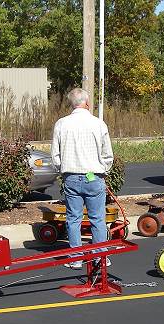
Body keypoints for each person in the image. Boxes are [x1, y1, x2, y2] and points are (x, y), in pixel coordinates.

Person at [51, 88, 114, 270]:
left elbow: (55, 154)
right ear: (86, 102)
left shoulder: (61, 124)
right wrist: (104, 170)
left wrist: (62, 170)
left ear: (72, 103)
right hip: (94, 176)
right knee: (97, 219)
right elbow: (107, 154)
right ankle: (99, 257)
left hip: (71, 176)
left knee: (73, 219)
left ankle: (76, 258)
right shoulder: (98, 124)